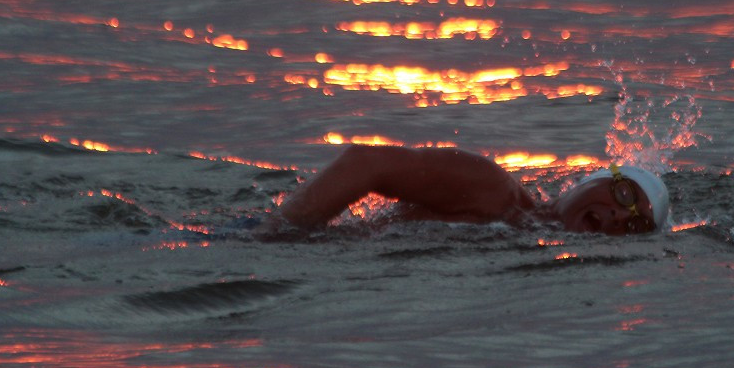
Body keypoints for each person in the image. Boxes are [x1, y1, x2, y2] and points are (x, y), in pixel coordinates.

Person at [255, 144, 670, 238]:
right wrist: (277, 235)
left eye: (635, 225)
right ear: (589, 180)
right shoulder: (493, 191)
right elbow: (364, 163)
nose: (621, 216)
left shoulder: (523, 235)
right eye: (624, 196)